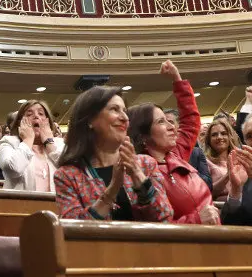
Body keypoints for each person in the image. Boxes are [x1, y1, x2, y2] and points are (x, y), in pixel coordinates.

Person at [54, 86, 173, 222]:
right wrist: (112, 189)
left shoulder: (146, 164)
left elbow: (165, 218)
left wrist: (137, 175)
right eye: (114, 109)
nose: (125, 118)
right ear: (90, 120)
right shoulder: (68, 175)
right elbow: (74, 232)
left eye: (124, 111)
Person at [127, 60, 217, 225]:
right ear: (143, 135)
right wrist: (196, 220)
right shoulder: (138, 172)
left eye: (170, 122)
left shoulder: (176, 154)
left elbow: (190, 121)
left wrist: (177, 79)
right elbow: (151, 226)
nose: (172, 127)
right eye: (161, 122)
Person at [0, 99, 63, 192]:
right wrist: (28, 140)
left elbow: (71, 170)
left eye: (41, 114)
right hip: (20, 204)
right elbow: (13, 169)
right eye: (29, 114)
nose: (36, 116)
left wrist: (49, 143)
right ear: (20, 122)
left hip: (56, 204)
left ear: (48, 121)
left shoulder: (59, 144)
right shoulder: (9, 142)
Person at [202, 117, 242, 200]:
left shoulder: (240, 158)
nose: (219, 137)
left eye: (223, 133)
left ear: (230, 136)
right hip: (220, 209)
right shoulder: (205, 162)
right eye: (214, 135)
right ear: (208, 140)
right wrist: (228, 175)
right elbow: (205, 193)